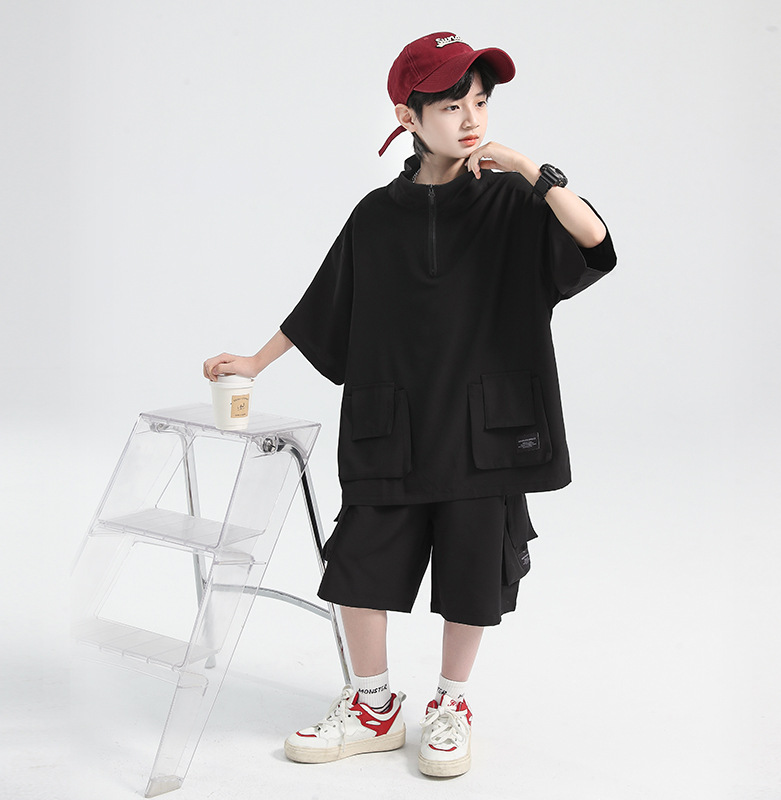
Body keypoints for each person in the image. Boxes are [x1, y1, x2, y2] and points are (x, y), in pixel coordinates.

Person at [203, 31, 616, 778]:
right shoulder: (375, 215)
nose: (472, 118)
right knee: (358, 565)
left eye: (480, 102)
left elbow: (596, 244)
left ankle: (451, 703)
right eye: (452, 105)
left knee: (473, 574)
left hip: (483, 428)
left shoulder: (514, 202)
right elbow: (324, 303)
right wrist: (255, 363)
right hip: (392, 422)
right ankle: (373, 706)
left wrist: (530, 169)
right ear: (408, 115)